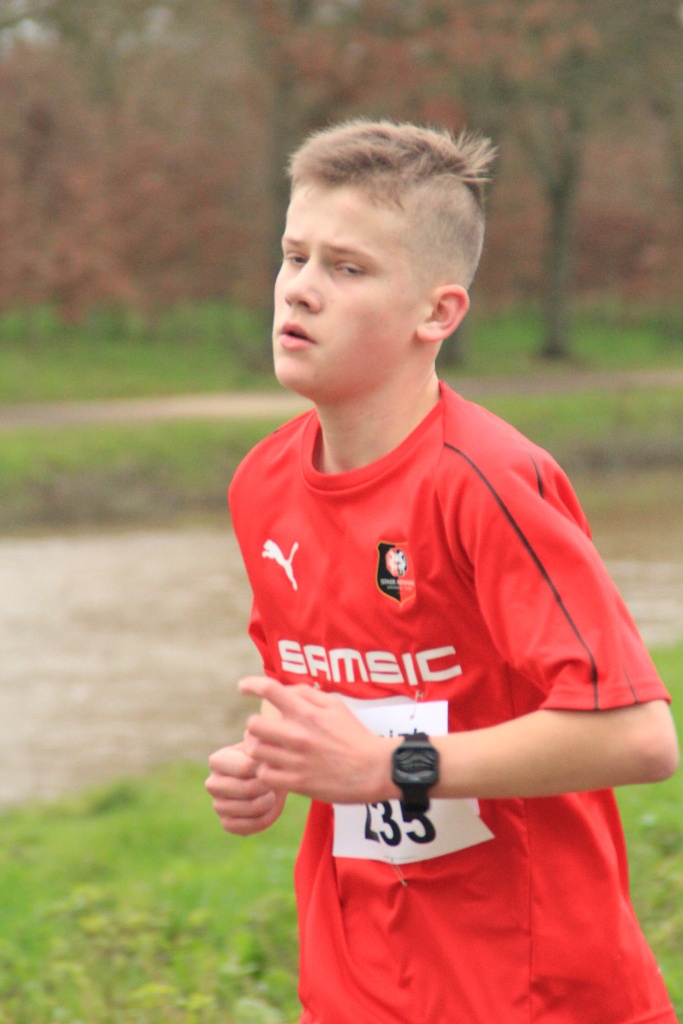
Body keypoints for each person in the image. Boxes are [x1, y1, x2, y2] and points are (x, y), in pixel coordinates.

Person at [205, 119, 679, 1024]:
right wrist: (262, 763)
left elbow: (637, 736)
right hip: (354, 986)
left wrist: (394, 766)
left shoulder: (485, 481)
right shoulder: (260, 483)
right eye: (294, 256)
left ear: (438, 314)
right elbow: (325, 698)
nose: (300, 289)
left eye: (347, 268)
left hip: (532, 994)